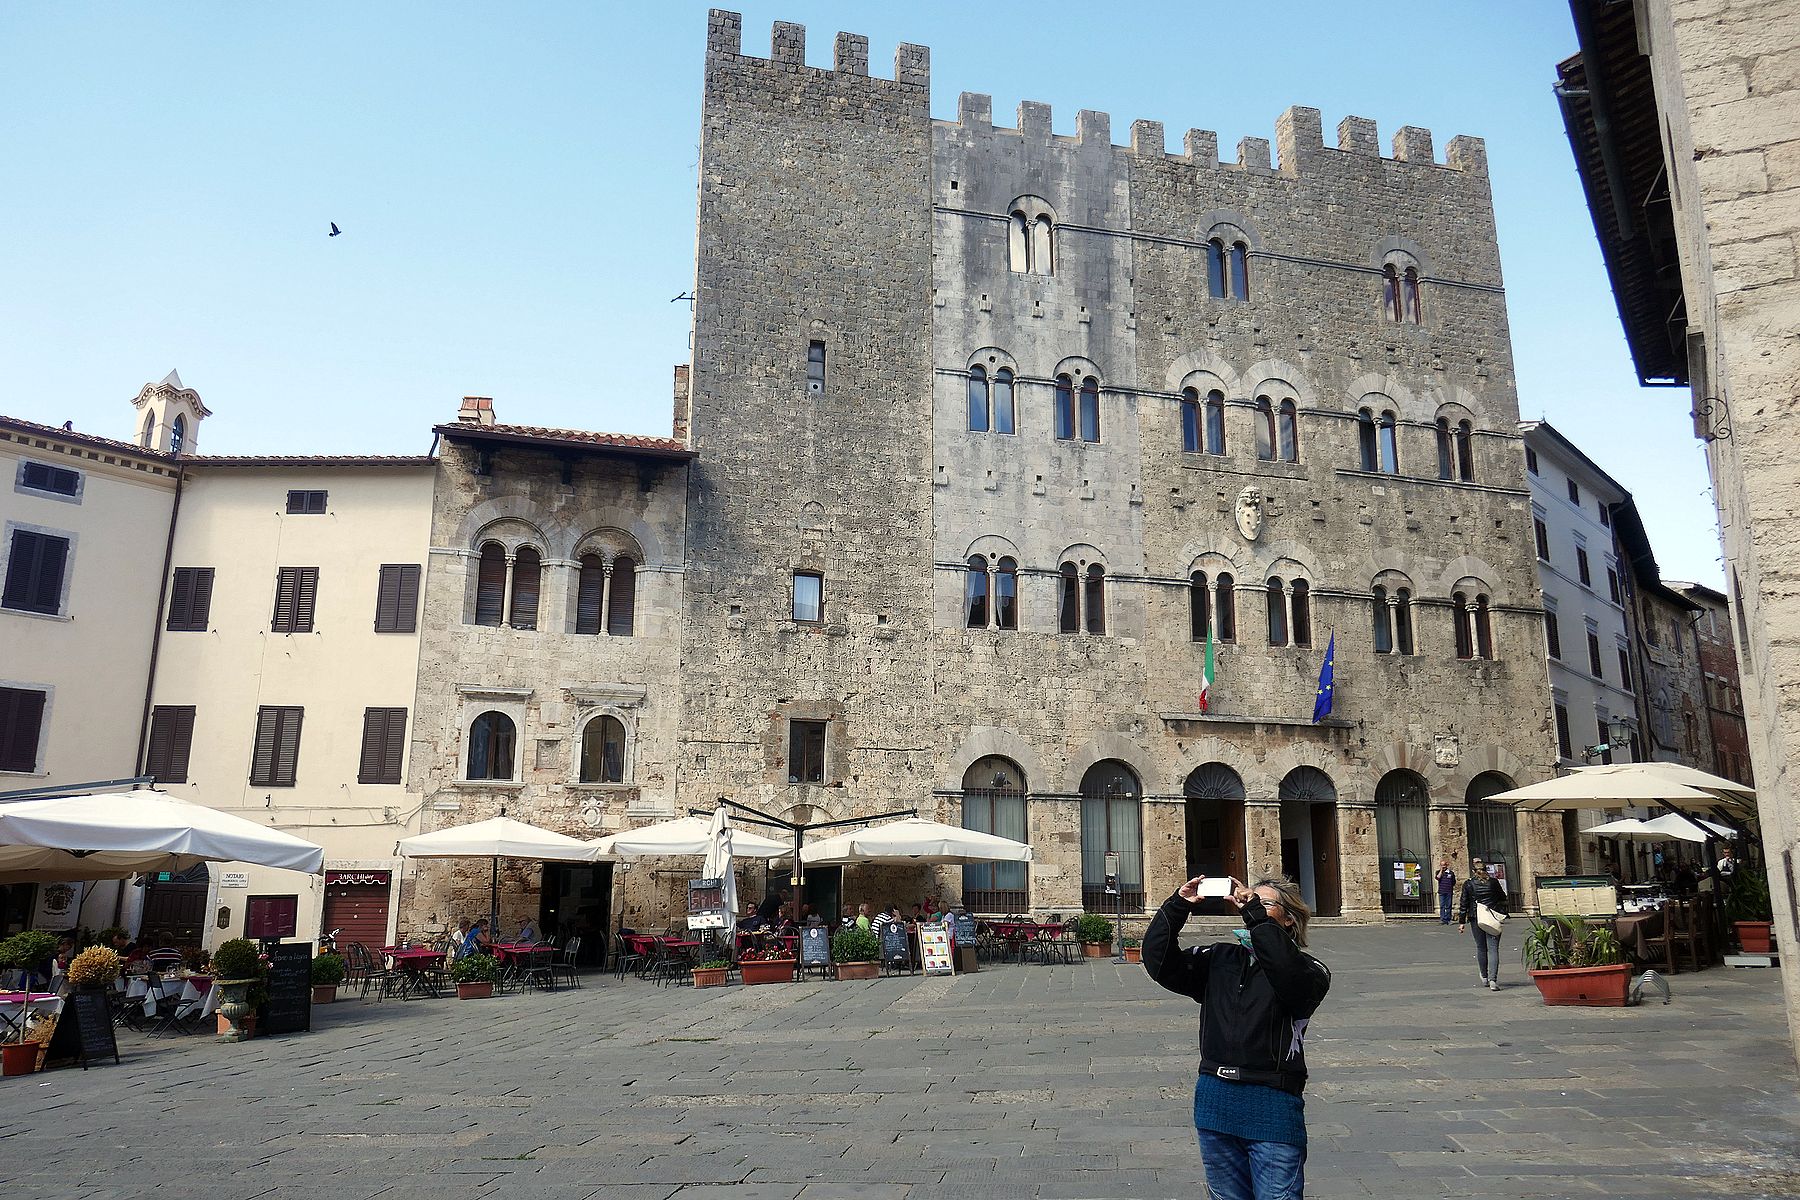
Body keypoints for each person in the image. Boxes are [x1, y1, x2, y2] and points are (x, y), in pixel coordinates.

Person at [1145, 874, 1330, 1200]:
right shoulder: (1219, 958)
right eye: (1249, 899)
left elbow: (1288, 978)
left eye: (1264, 902)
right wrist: (1177, 906)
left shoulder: (1311, 970)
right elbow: (1160, 963)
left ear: (1289, 919)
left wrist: (1256, 918)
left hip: (1272, 1108)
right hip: (1216, 1104)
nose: (1251, 905)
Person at [1457, 857, 1509, 991]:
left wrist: (1462, 922)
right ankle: (1493, 980)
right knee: (1493, 948)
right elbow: (1503, 897)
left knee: (1481, 948)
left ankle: (1484, 977)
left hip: (1476, 917)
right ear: (1486, 870)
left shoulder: (1469, 884)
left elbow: (1464, 903)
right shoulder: (1493, 882)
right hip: (1492, 917)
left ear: (1473, 871)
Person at [1435, 859, 1457, 925]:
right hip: (1441, 891)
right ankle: (1442, 919)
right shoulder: (1438, 872)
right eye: (1442, 865)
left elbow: (1453, 882)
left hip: (1449, 891)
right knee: (1442, 906)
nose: (1443, 866)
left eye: (1444, 865)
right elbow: (1438, 878)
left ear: (1447, 865)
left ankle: (1448, 919)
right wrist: (1441, 870)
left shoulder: (1451, 873)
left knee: (1448, 906)